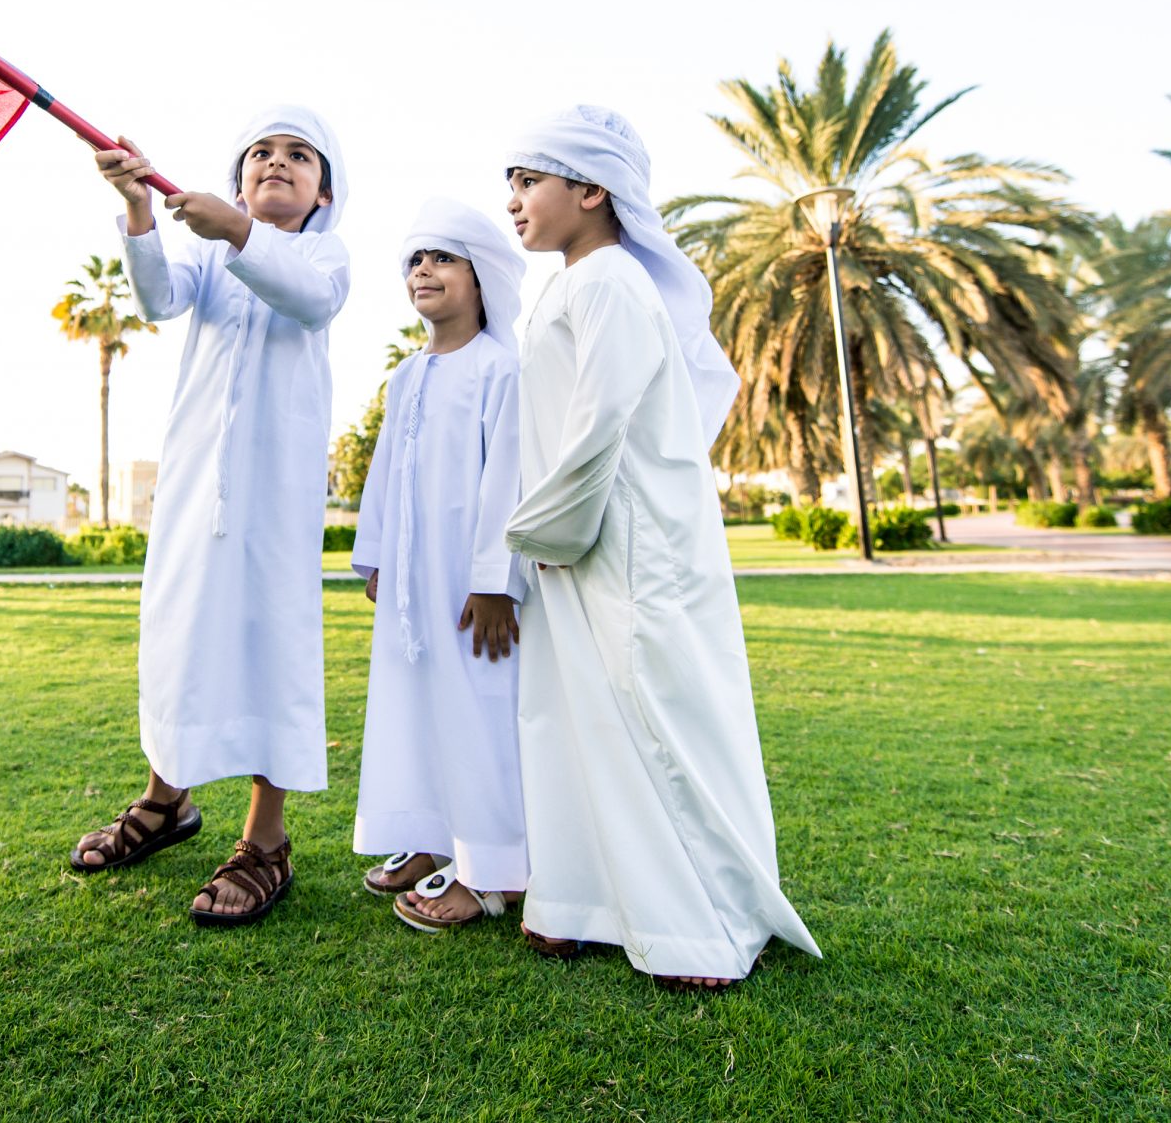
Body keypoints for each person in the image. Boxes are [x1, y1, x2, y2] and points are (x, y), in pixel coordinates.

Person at [502, 104, 819, 988]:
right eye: (511, 185)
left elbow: (601, 423)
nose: (515, 201)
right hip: (575, 541)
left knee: (656, 719)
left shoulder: (609, 281)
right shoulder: (569, 286)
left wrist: (542, 532)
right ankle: (576, 904)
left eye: (529, 180)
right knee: (572, 714)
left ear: (592, 188)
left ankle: (704, 932)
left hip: (624, 542)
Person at [71, 107, 349, 929]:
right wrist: (138, 208)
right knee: (177, 632)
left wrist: (237, 231)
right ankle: (167, 803)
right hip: (194, 490)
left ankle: (266, 842)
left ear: (324, 191)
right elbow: (157, 297)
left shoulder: (324, 253)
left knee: (272, 644)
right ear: (236, 179)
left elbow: (308, 298)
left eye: (299, 155)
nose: (277, 162)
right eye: (260, 152)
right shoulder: (207, 254)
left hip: (276, 498)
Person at [349, 198, 531, 934]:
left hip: (469, 589)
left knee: (477, 713)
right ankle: (428, 832)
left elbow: (509, 480)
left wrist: (495, 581)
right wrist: (376, 556)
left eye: (442, 258)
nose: (424, 270)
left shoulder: (501, 369)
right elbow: (385, 472)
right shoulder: (405, 375)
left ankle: (492, 873)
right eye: (415, 260)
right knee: (414, 705)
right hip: (411, 586)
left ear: (482, 275)